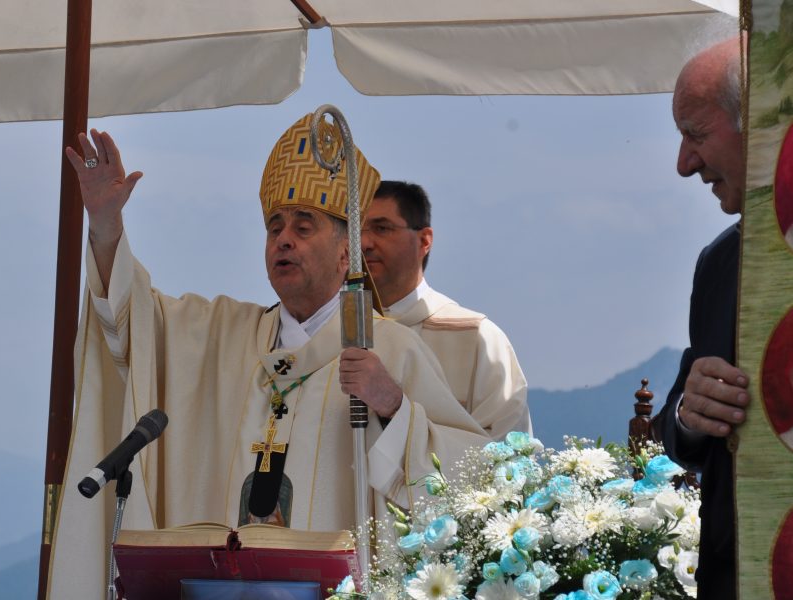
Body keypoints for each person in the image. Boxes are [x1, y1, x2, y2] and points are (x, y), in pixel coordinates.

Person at [47, 115, 492, 597]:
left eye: (304, 227)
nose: (283, 239)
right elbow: (129, 325)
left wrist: (394, 406)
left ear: (347, 254)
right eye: (274, 227)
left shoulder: (388, 348)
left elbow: (470, 478)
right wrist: (107, 224)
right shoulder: (221, 335)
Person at [652, 36, 748, 600]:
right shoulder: (718, 263)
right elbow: (676, 428)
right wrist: (690, 411)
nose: (684, 164)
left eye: (695, 134)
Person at [361, 181, 530, 439]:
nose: (364, 242)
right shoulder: (326, 335)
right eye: (354, 230)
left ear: (424, 240)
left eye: (382, 228)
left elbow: (507, 454)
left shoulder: (476, 337)